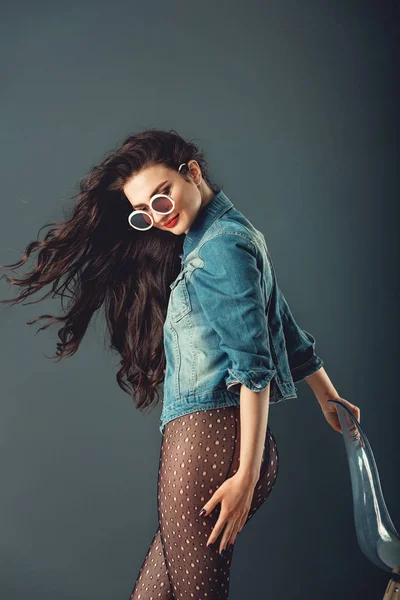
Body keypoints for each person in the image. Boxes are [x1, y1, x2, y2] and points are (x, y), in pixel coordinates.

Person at [0, 129, 360, 599]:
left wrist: (246, 477)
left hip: (209, 449)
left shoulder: (220, 247)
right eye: (144, 212)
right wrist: (327, 397)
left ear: (192, 170)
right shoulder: (218, 236)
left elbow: (254, 368)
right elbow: (284, 327)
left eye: (162, 196)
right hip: (215, 446)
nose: (158, 216)